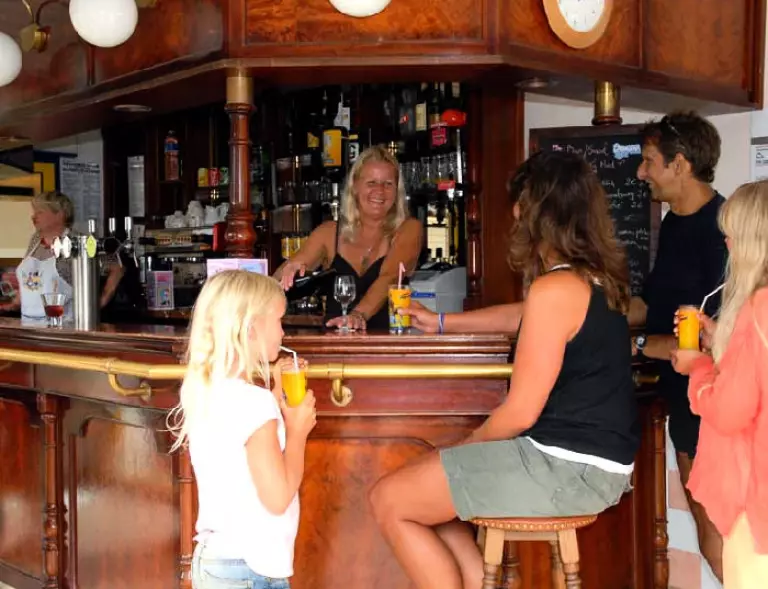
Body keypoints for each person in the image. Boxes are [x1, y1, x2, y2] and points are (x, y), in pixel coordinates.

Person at [370, 151, 639, 589]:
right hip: (595, 466)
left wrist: (464, 448)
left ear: (538, 211)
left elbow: (519, 413)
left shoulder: (555, 290)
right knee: (431, 501)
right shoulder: (592, 281)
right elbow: (522, 315)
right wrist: (442, 322)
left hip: (565, 468)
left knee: (389, 500)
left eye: (521, 203)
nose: (514, 213)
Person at [168, 270, 317, 589]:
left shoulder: (206, 389)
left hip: (216, 559)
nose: (283, 332)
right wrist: (297, 432)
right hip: (251, 567)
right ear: (249, 328)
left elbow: (240, 456)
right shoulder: (254, 404)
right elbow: (278, 497)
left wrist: (275, 395)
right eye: (278, 321)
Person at [630, 111, 728, 580]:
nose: (640, 172)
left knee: (719, 530)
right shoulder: (673, 224)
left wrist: (641, 344)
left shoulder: (723, 230)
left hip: (714, 404)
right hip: (685, 398)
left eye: (649, 161)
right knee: (708, 526)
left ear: (680, 164)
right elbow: (651, 305)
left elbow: (718, 338)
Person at [670, 181, 768, 588]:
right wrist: (721, 341)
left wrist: (698, 366)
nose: (726, 244)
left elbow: (729, 411)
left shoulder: (758, 307)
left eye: (732, 235)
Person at [274, 145, 423, 331]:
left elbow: (390, 276)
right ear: (355, 187)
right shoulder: (329, 233)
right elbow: (275, 283)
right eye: (371, 183)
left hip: (387, 342)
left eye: (388, 184)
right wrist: (290, 270)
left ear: (397, 191)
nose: (380, 190)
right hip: (335, 341)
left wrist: (358, 315)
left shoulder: (408, 229)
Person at [0, 191, 124, 320]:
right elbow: (33, 281)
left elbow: (117, 268)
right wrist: (15, 304)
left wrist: (99, 302)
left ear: (60, 214)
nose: (34, 216)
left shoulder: (78, 242)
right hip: (28, 323)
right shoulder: (35, 240)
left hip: (65, 325)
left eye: (40, 212)